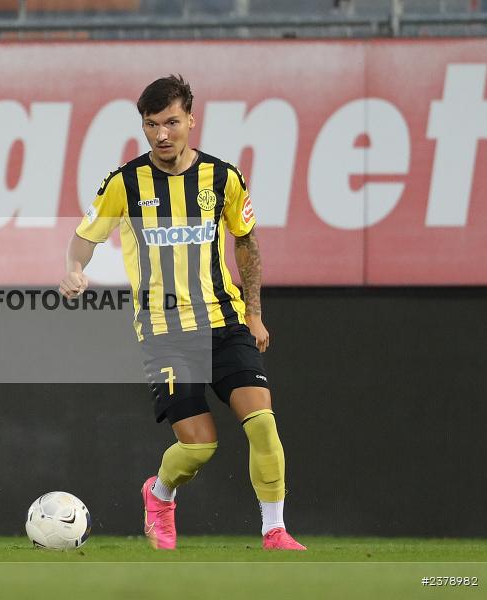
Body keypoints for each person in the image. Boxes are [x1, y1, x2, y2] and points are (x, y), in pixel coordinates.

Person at [60, 75, 305, 551]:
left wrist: (253, 314)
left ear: (191, 120)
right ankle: (160, 494)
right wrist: (73, 268)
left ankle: (274, 529)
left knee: (263, 424)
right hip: (164, 331)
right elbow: (84, 237)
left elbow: (247, 242)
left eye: (172, 122)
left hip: (225, 322)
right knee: (199, 446)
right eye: (152, 125)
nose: (162, 135)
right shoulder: (125, 183)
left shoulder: (223, 178)